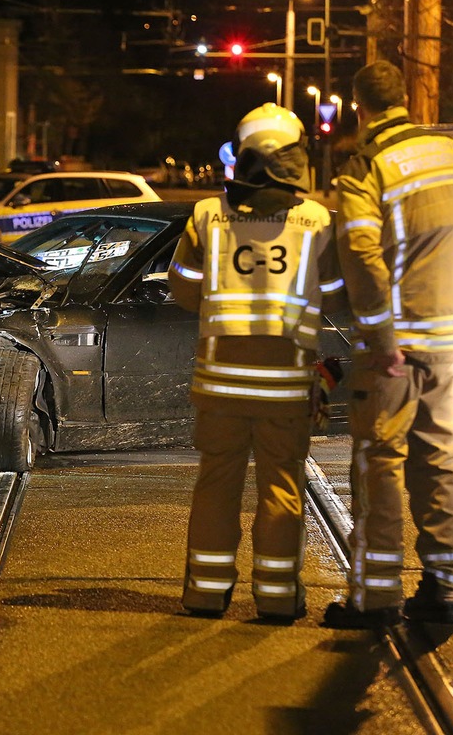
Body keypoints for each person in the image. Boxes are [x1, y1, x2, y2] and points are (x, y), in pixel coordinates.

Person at [322, 60, 453, 629]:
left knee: (379, 468)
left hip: (396, 350)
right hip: (451, 342)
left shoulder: (367, 171)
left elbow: (362, 259)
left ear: (359, 107)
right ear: (406, 100)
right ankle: (446, 591)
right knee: (440, 463)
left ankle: (376, 598)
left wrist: (381, 335)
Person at [168, 103, 345, 621]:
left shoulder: (206, 215)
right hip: (287, 385)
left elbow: (183, 290)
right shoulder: (316, 221)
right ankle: (275, 596)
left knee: (216, 483)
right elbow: (333, 295)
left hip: (221, 382)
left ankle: (205, 591)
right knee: (283, 488)